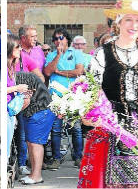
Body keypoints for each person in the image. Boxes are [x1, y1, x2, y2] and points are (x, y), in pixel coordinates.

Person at [80, 0, 138, 188]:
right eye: (128, 19)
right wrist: (86, 115)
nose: (134, 25)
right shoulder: (101, 54)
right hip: (107, 130)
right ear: (118, 22)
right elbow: (91, 91)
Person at [43, 27, 87, 170]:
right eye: (55, 39)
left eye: (60, 38)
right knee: (55, 129)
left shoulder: (76, 53)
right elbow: (48, 72)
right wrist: (58, 55)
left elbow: (79, 71)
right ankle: (56, 158)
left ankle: (78, 157)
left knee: (76, 128)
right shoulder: (51, 55)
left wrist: (60, 72)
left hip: (73, 96)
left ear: (67, 39)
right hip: (56, 96)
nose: (57, 41)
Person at [14, 44, 54, 185]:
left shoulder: (18, 77)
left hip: (40, 110)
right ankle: (33, 174)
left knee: (35, 143)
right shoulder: (18, 75)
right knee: (31, 142)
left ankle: (36, 176)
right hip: (36, 110)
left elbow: (26, 100)